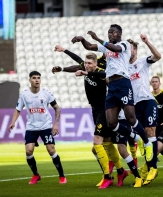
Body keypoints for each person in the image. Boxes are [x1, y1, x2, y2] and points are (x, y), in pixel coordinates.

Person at [52, 46, 142, 188]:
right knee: (106, 142)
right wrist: (63, 54)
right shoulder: (86, 68)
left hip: (104, 110)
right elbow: (76, 59)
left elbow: (106, 77)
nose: (87, 66)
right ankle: (120, 171)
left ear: (95, 64)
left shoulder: (100, 73)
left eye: (89, 64)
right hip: (95, 110)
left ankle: (107, 176)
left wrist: (88, 74)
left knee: (97, 143)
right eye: (86, 64)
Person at [71, 24, 153, 163]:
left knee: (131, 118)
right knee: (111, 123)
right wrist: (82, 39)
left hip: (123, 83)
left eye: (113, 32)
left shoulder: (124, 44)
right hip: (112, 86)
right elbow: (90, 47)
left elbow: (115, 48)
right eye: (109, 32)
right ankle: (136, 137)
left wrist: (97, 37)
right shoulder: (106, 47)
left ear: (119, 33)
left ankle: (147, 142)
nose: (110, 34)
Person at [8, 71, 67, 184]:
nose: (37, 80)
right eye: (34, 78)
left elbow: (57, 108)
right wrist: (13, 122)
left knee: (51, 150)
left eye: (38, 78)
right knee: (29, 151)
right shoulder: (24, 94)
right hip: (31, 127)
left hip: (45, 126)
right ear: (30, 80)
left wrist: (55, 124)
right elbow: (17, 110)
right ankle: (36, 175)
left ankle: (62, 176)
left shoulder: (46, 93)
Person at [127, 35, 161, 185]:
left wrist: (147, 41)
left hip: (147, 101)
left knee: (150, 131)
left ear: (135, 50)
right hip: (134, 105)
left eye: (130, 48)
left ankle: (152, 168)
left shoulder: (142, 62)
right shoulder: (123, 67)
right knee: (141, 137)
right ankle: (149, 166)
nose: (127, 51)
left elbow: (158, 56)